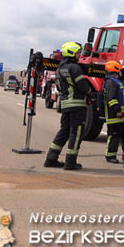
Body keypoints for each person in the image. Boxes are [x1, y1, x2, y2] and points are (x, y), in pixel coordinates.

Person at [44, 41, 92, 170]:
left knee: (64, 131)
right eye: (78, 52)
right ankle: (70, 162)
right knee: (76, 134)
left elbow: (59, 87)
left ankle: (51, 158)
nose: (79, 55)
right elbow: (83, 85)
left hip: (65, 105)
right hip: (77, 105)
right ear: (71, 53)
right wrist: (89, 92)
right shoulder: (75, 68)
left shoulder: (60, 69)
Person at [103, 61, 124, 164]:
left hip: (123, 115)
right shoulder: (110, 82)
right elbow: (111, 98)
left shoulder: (117, 82)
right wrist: (117, 108)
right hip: (114, 115)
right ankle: (110, 155)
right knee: (113, 135)